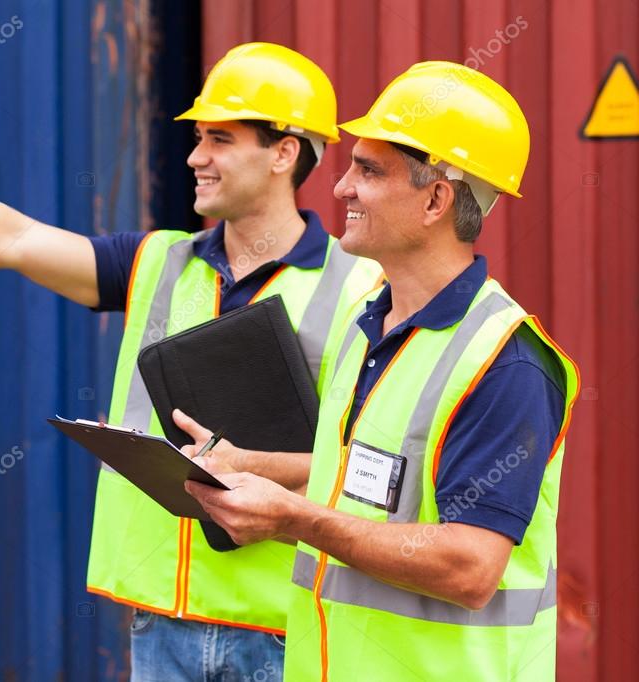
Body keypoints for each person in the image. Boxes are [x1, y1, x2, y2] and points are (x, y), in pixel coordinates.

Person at [0, 42, 382, 680]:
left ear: (284, 152)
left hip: (284, 626)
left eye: (220, 139)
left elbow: (378, 471)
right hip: (159, 621)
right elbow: (7, 238)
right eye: (198, 137)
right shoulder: (155, 262)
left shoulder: (362, 291)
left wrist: (251, 467)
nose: (196, 157)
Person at [185, 61, 580, 681]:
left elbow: (469, 567)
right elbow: (378, 485)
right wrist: (251, 465)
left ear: (435, 199)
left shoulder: (506, 361)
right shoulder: (371, 326)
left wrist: (293, 517)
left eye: (367, 171)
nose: (340, 188)